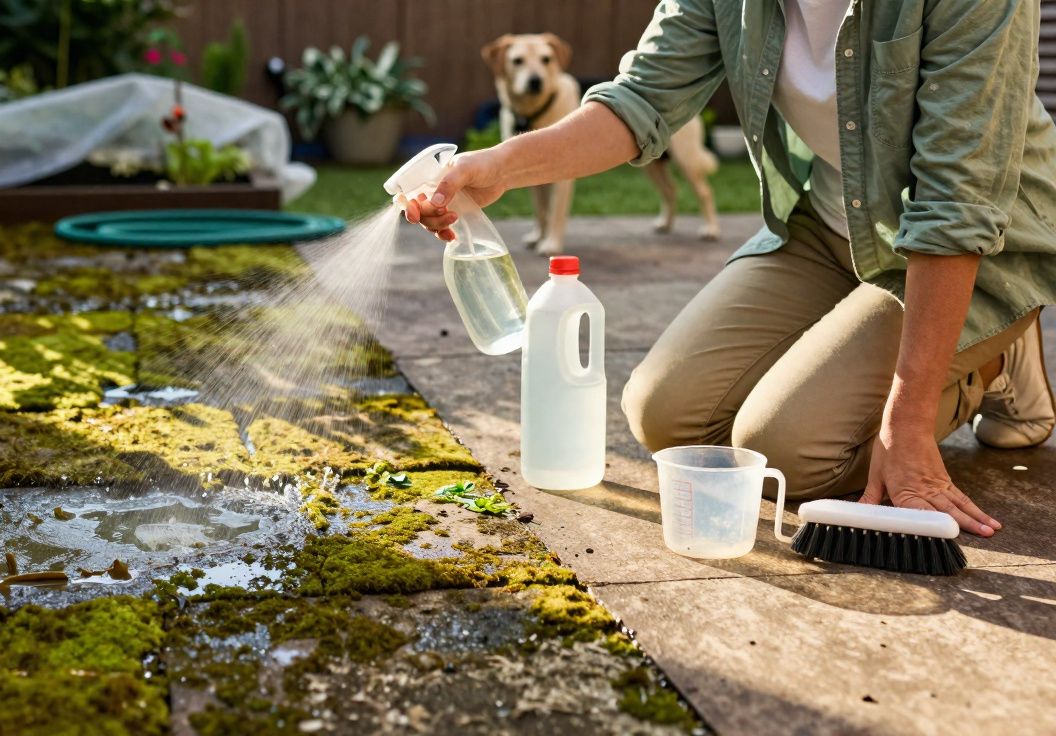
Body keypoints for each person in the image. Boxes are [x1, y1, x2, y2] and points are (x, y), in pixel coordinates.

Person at [402, 0, 1056, 537]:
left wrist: (909, 417)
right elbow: (641, 100)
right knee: (667, 416)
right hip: (825, 231)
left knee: (793, 451)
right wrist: (500, 167)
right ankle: (922, 355)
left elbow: (956, 202)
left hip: (978, 247)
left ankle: (994, 361)